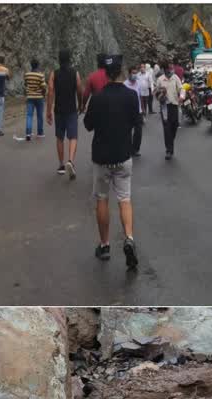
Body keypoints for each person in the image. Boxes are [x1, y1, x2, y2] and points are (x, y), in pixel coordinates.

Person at [83, 55, 141, 268]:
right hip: (123, 156)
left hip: (101, 158)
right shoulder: (131, 96)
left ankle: (105, 245)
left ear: (106, 74)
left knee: (102, 199)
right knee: (124, 198)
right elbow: (137, 123)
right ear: (121, 72)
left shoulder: (97, 98)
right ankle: (129, 238)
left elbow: (88, 125)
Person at [46, 49, 82, 178]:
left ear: (59, 59)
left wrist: (48, 111)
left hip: (59, 111)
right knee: (73, 136)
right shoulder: (75, 73)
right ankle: (71, 161)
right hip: (71, 110)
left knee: (59, 137)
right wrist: (81, 104)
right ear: (69, 59)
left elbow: (50, 91)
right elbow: (79, 89)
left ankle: (61, 165)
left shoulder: (54, 74)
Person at [155, 61, 182, 160]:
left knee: (174, 126)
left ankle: (170, 142)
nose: (171, 70)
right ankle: (169, 150)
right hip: (165, 108)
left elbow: (181, 88)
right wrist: (160, 96)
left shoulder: (175, 78)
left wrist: (182, 96)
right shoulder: (160, 80)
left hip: (174, 105)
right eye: (169, 68)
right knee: (167, 129)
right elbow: (155, 92)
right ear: (165, 69)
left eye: (172, 68)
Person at [23, 58, 47, 141]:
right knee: (40, 116)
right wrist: (44, 95)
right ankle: (40, 133)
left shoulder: (27, 75)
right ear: (38, 65)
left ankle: (28, 133)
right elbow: (44, 87)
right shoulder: (41, 75)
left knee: (29, 115)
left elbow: (25, 84)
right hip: (39, 97)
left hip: (30, 97)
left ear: (31, 65)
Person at [124, 64, 143, 157]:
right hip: (127, 113)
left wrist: (143, 110)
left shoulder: (138, 83)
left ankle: (135, 149)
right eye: (133, 73)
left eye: (136, 73)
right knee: (127, 131)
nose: (135, 75)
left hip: (138, 112)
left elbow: (140, 97)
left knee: (138, 131)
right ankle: (128, 148)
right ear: (129, 74)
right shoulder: (125, 84)